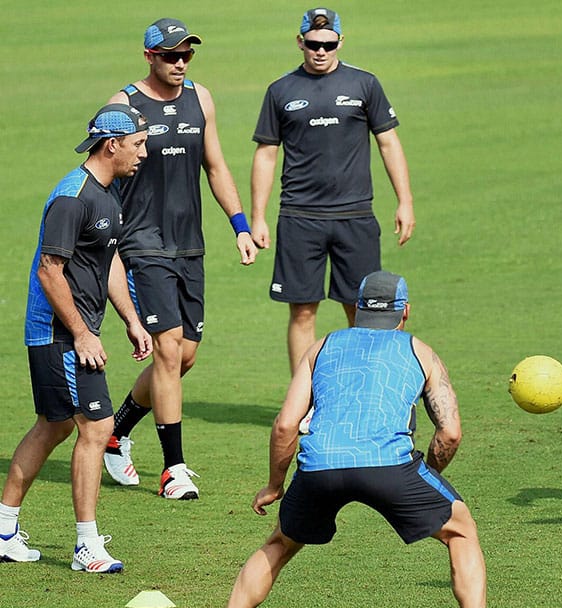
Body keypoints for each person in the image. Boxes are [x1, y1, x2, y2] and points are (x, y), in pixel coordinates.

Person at [215, 271, 486, 608]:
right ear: (405, 312)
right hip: (390, 467)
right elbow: (450, 433)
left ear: (357, 308)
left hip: (319, 467)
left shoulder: (321, 347)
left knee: (280, 543)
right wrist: (427, 474)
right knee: (461, 531)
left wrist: (273, 485)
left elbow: (285, 425)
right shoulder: (421, 352)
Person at [101, 18, 257, 499]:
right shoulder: (123, 105)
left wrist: (240, 224)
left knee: (183, 356)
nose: (180, 63)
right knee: (167, 348)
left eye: (187, 54)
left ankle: (117, 431)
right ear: (149, 56)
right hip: (141, 243)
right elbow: (101, 169)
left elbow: (215, 165)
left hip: (189, 244)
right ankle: (174, 469)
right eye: (171, 55)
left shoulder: (201, 98)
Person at [0, 104, 153, 572]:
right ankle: (86, 545)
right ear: (113, 145)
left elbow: (106, 262)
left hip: (71, 331)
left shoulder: (108, 193)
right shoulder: (74, 198)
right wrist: (84, 333)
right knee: (97, 427)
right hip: (60, 334)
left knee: (56, 424)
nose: (143, 152)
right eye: (138, 144)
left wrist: (130, 317)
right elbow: (51, 271)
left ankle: (3, 529)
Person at [249, 7, 415, 376]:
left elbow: (389, 143)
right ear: (300, 42)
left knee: (363, 309)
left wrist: (405, 201)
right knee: (303, 310)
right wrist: (258, 216)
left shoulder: (364, 84)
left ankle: (358, 391)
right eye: (312, 44)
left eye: (327, 44)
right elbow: (266, 154)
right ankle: (303, 398)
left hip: (355, 216)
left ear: (340, 41)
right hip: (299, 217)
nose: (320, 51)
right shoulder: (280, 91)